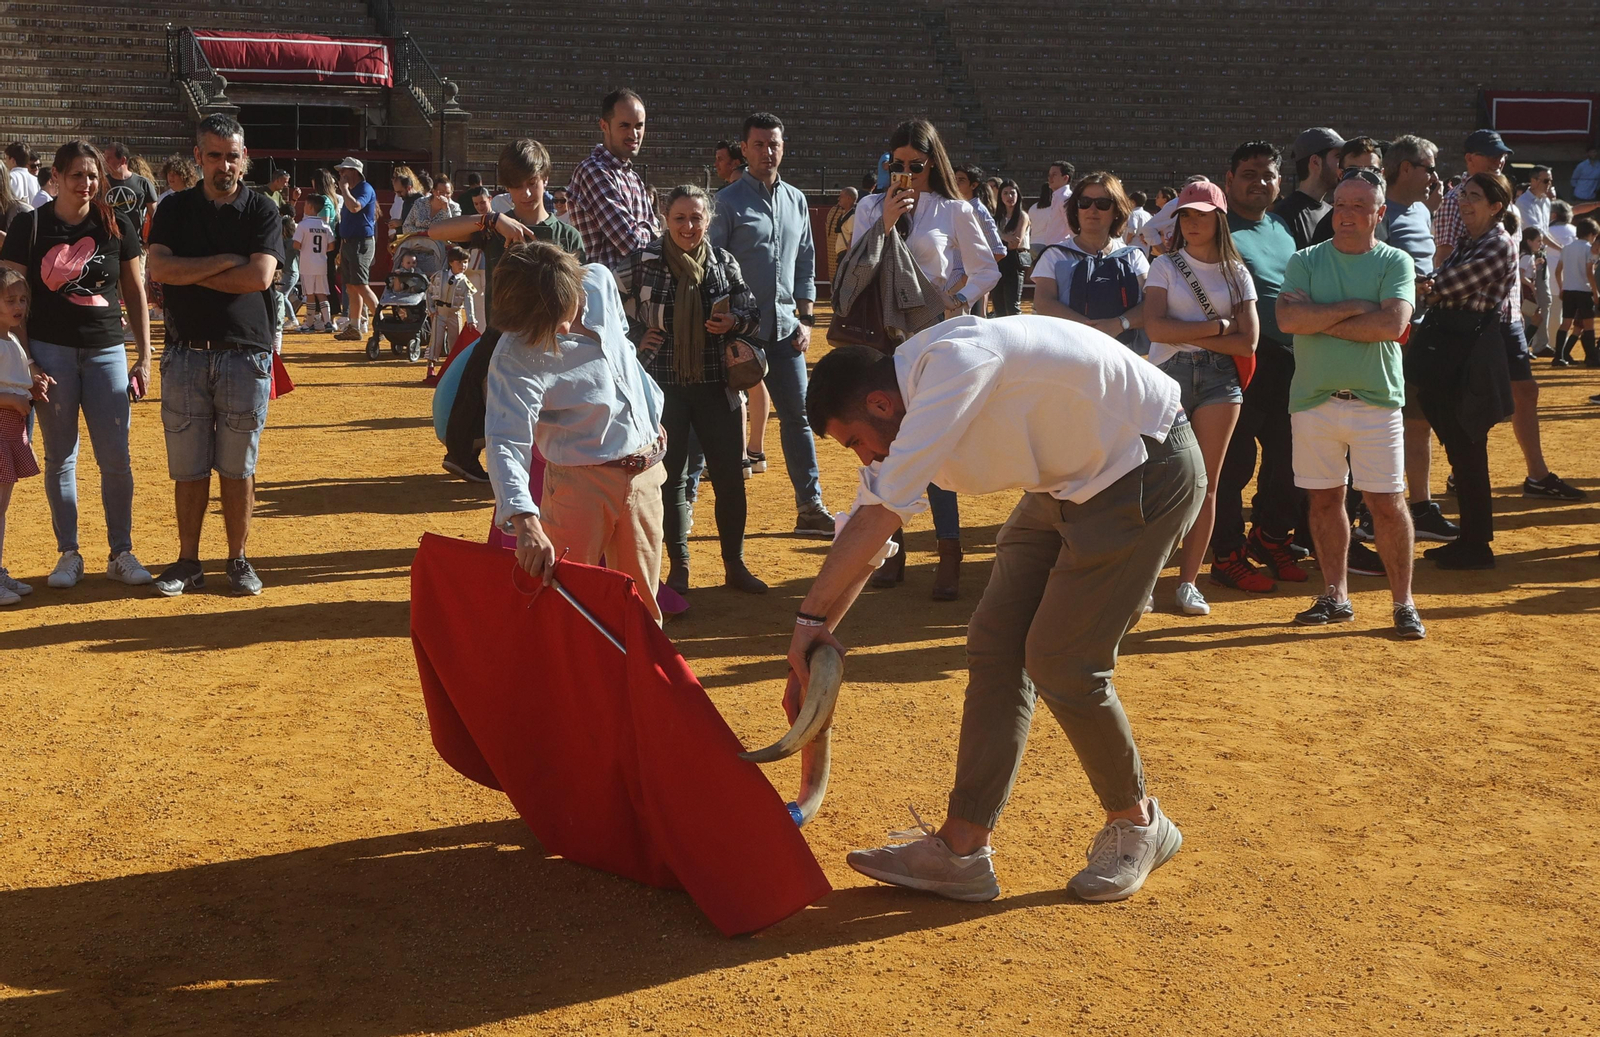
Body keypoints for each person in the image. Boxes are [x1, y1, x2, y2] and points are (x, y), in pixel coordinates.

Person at [789, 320, 1203, 904]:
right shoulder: (910, 395)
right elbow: (869, 527)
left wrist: (808, 622)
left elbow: (881, 515)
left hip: (1145, 467)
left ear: (881, 403)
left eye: (857, 440)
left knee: (1064, 663)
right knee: (995, 644)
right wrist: (821, 628)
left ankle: (1139, 823)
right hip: (1065, 482)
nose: (866, 454)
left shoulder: (953, 367)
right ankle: (962, 851)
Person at [848, 118, 1000, 599]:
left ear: (934, 162)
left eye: (917, 164)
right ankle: (891, 550)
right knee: (885, 445)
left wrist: (953, 301)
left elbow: (987, 270)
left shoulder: (954, 209)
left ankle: (949, 554)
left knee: (937, 448)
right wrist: (886, 221)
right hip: (883, 343)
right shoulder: (873, 205)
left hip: (933, 343)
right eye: (898, 164)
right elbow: (854, 269)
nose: (907, 173)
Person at [484, 241, 668, 624]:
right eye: (548, 323)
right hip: (579, 486)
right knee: (567, 606)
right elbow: (505, 439)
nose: (564, 328)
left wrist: (648, 413)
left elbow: (623, 353)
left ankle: (637, 683)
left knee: (643, 609)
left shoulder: (599, 281)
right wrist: (524, 520)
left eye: (562, 313)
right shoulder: (514, 352)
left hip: (646, 471)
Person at [0, 139, 154, 591]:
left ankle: (121, 552)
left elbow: (136, 293)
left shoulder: (116, 223)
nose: (85, 183)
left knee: (116, 458)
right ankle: (69, 553)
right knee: (60, 458)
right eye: (76, 175)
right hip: (49, 354)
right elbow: (8, 300)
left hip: (107, 350)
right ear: (56, 177)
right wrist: (26, 361)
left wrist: (144, 356)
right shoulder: (30, 225)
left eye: (92, 176)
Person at [1276, 169, 1424, 638]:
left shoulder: (1396, 261)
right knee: (1324, 500)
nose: (1347, 214)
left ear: (1379, 214)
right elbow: (1286, 317)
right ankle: (1336, 594)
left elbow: (1390, 325)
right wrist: (1357, 307)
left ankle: (1403, 603)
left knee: (1387, 502)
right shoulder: (1304, 260)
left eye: (1361, 206)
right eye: (1341, 204)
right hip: (1314, 401)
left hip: (1376, 402)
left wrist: (1317, 321)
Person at [145, 113, 283, 597]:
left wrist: (191, 272)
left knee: (238, 466)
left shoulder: (262, 209)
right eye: (215, 155)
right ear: (198, 156)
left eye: (233, 155)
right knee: (187, 466)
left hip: (245, 354)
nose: (225, 164)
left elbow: (259, 278)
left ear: (244, 158)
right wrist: (227, 260)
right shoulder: (175, 207)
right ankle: (188, 561)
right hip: (185, 353)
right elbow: (158, 267)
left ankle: (237, 559)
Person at [615, 184, 767, 595]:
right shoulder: (642, 262)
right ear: (666, 218)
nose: (688, 226)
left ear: (708, 220)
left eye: (696, 218)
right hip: (664, 390)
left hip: (718, 387)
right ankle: (679, 567)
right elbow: (605, 309)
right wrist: (636, 335)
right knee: (670, 480)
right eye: (680, 218)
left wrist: (733, 321)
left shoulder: (723, 263)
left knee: (730, 479)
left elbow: (753, 314)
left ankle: (734, 564)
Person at [428, 139, 584, 482]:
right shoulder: (495, 228)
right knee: (481, 393)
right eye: (516, 186)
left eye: (532, 182)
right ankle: (467, 455)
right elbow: (436, 230)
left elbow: (580, 294)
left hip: (553, 338)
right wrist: (493, 220)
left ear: (545, 177)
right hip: (504, 333)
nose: (526, 193)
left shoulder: (567, 236)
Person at [709, 112, 831, 537]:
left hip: (784, 330)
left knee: (797, 417)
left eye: (774, 144)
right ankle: (698, 512)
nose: (767, 151)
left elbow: (807, 262)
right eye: (758, 144)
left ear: (784, 147)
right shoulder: (726, 203)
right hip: (737, 332)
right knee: (718, 424)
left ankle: (810, 507)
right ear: (745, 149)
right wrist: (723, 321)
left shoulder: (797, 200)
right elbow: (711, 267)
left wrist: (808, 316)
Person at [1143, 180, 1259, 616]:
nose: (1191, 223)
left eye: (1200, 215)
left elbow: (1248, 344)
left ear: (1219, 219)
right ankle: (1147, 580)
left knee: (1205, 485)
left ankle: (1187, 583)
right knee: (1157, 482)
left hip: (1217, 383)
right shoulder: (1165, 265)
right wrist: (1217, 329)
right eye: (1185, 216)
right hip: (1168, 378)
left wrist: (1189, 332)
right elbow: (1156, 329)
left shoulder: (1237, 272)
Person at [1412, 173, 1524, 570]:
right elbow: (1437, 285)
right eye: (1462, 195)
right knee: (1462, 450)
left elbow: (1445, 284)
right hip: (1454, 352)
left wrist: (1429, 285)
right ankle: (1471, 540)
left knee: (1468, 449)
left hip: (1468, 356)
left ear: (1496, 206)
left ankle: (1477, 545)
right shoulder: (1472, 241)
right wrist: (1431, 286)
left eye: (1474, 197)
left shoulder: (1496, 244)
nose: (1464, 202)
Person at [1209, 141, 1306, 594]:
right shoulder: (1214, 229)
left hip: (1290, 360)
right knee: (1235, 464)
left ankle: (1269, 538)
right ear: (1229, 181)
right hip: (1237, 360)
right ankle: (1226, 554)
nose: (1259, 182)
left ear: (1279, 182)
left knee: (1290, 460)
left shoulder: (1282, 225)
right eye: (1249, 173)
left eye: (1267, 174)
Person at [1373, 135, 1459, 543]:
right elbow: (1372, 268)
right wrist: (1410, 288)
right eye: (1428, 167)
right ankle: (1376, 511)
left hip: (1423, 330)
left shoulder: (1422, 211)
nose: (1434, 176)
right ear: (1405, 168)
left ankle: (1421, 506)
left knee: (1419, 421)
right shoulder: (1381, 211)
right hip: (1394, 333)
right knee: (1385, 422)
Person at [1029, 171, 1148, 350]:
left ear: (1117, 210)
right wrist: (1089, 328)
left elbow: (1152, 303)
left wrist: (1117, 325)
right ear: (1075, 209)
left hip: (1122, 351)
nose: (1092, 210)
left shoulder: (1132, 256)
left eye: (1102, 204)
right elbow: (1043, 302)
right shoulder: (1055, 255)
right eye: (1084, 203)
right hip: (1068, 351)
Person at [568, 89, 659, 271]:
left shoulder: (634, 178)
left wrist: (651, 233)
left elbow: (655, 240)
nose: (633, 134)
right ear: (604, 126)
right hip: (604, 293)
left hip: (636, 291)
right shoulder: (593, 171)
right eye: (624, 126)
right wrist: (653, 232)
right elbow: (632, 244)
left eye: (639, 126)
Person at [0, 268, 41, 605]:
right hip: (2, 426)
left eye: (23, 299)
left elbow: (17, 383)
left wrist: (32, 389)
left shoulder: (12, 339)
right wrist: (11, 399)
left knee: (2, 508)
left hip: (13, 429)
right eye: (10, 299)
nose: (19, 305)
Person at [1434, 130, 1511, 269]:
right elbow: (1445, 257)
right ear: (1469, 158)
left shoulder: (1502, 196)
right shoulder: (1454, 200)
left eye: (1502, 155)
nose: (1499, 161)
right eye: (1491, 155)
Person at [1274, 127, 1344, 250]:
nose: (1343, 165)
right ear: (1315, 162)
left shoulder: (1332, 212)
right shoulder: (1283, 216)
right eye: (1338, 156)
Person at [332, 156, 378, 342]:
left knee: (360, 285)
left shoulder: (364, 188)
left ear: (355, 172)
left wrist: (343, 190)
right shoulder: (352, 190)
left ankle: (381, 323)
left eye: (344, 170)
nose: (341, 174)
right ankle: (354, 327)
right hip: (350, 242)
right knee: (351, 287)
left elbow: (355, 207)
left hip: (361, 243)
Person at [1308, 137, 1384, 245]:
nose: (1361, 177)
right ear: (1340, 174)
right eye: (1352, 171)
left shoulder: (1389, 219)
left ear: (1381, 174)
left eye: (1371, 171)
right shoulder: (1329, 226)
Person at [425, 245, 477, 381]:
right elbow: (429, 293)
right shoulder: (439, 276)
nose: (463, 265)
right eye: (459, 262)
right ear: (451, 263)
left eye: (465, 262)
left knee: (455, 342)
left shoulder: (465, 282)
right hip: (439, 312)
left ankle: (452, 370)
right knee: (436, 340)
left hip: (455, 313)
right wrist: (431, 309)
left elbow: (468, 301)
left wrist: (471, 319)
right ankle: (431, 366)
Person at [1553, 218, 1598, 366]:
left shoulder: (1566, 248)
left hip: (1568, 289)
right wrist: (1595, 291)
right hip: (1584, 290)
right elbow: (1589, 272)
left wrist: (1561, 288)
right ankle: (1591, 358)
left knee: (1566, 323)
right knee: (1589, 325)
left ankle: (1558, 357)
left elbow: (1558, 271)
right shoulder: (1588, 249)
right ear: (1592, 234)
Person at [291, 195, 334, 332]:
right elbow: (332, 246)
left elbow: (296, 245)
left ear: (309, 207)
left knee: (310, 294)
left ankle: (309, 324)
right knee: (322, 293)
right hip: (321, 263)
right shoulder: (325, 225)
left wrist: (306, 247)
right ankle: (327, 322)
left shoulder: (303, 225)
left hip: (307, 265)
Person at [991, 179, 1030, 317]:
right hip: (999, 260)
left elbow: (1015, 243)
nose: (1009, 197)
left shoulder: (1022, 216)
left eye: (1012, 193)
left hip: (1014, 261)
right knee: (998, 304)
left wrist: (1000, 235)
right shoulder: (996, 219)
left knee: (1012, 304)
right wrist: (1006, 236)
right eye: (1005, 193)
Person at [104, 143, 158, 237]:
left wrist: (150, 240)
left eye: (109, 158)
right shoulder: (101, 183)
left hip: (135, 242)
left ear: (123, 160)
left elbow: (155, 216)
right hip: (108, 242)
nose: (105, 161)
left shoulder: (143, 183)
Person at [1027, 160, 1073, 248]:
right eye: (1049, 175)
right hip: (1053, 247)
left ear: (1065, 178)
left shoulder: (1065, 198)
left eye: (1054, 175)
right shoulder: (1057, 197)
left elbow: (1072, 227)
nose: (1050, 178)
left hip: (1061, 248)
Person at [825, 186, 857, 272]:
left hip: (846, 254)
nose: (839, 199)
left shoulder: (852, 217)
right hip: (842, 254)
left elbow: (853, 237)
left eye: (841, 196)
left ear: (848, 198)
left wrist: (848, 257)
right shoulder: (845, 214)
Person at [388, 166, 424, 235]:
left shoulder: (420, 201)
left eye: (400, 192)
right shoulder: (406, 201)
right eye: (396, 192)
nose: (398, 195)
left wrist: (401, 223)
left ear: (409, 188)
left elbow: (422, 225)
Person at [4, 143, 39, 209]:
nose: (6, 162)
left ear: (13, 160)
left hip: (14, 217)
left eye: (6, 158)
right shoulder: (36, 181)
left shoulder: (9, 178)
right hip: (32, 217)